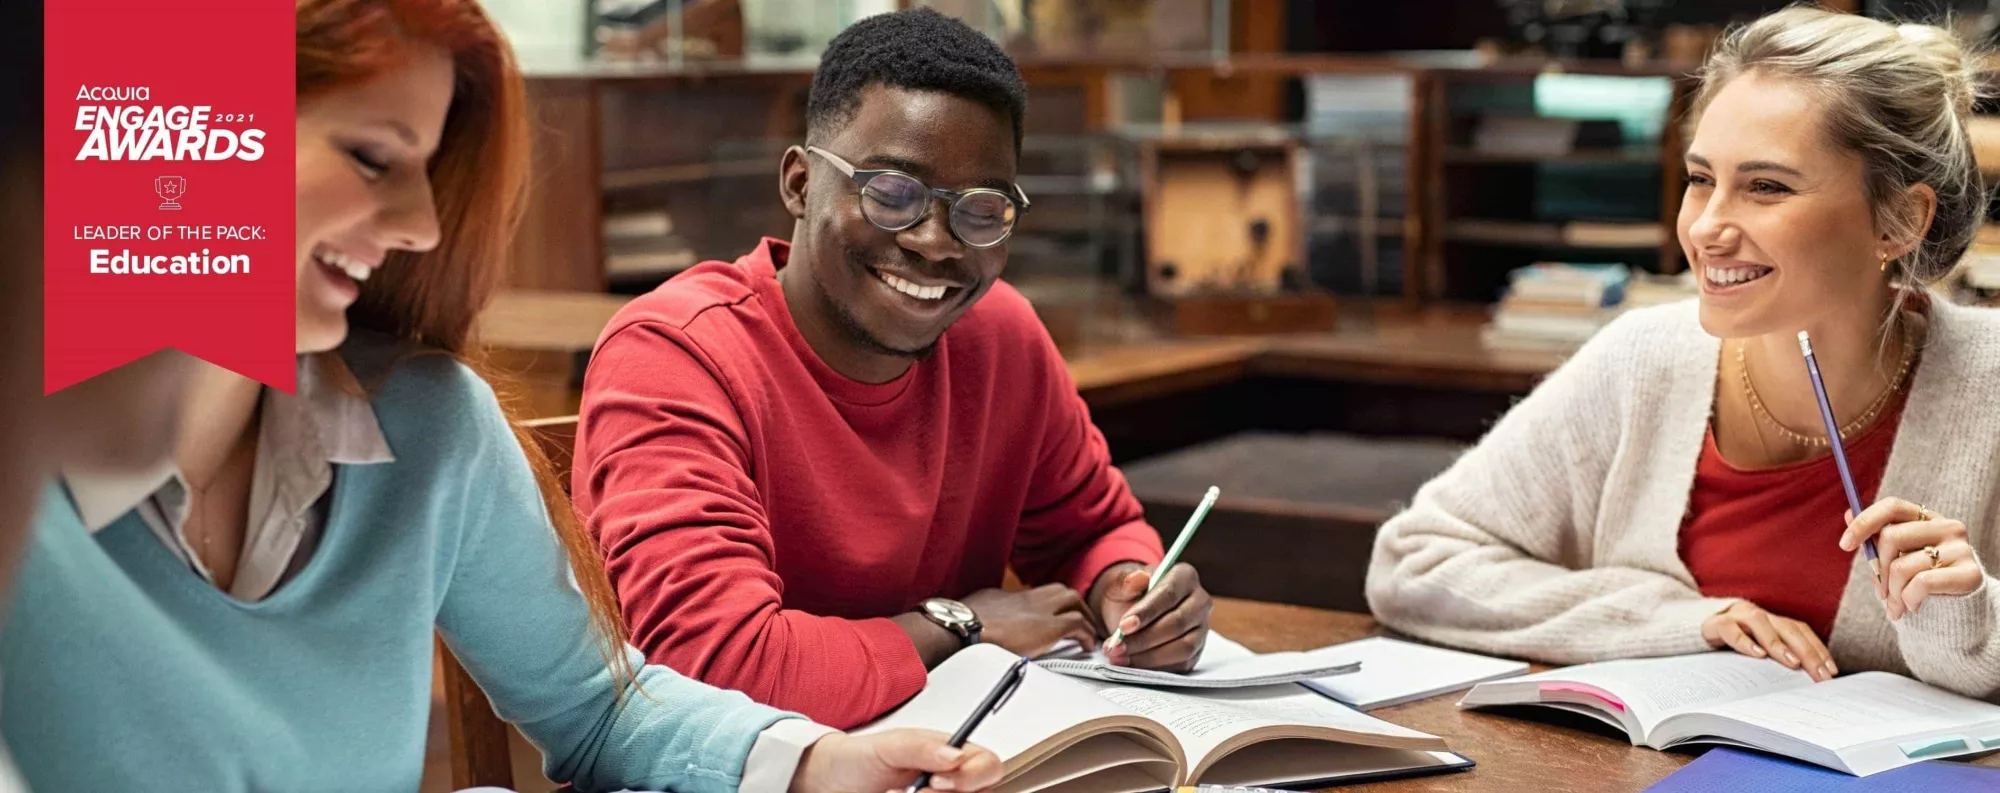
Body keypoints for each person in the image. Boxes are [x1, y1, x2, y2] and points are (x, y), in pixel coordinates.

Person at [0, 2, 1005, 791]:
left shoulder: (427, 423)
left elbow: (601, 706)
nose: (421, 226)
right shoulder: (30, 458)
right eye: (370, 156)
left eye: (427, 168)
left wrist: (813, 763)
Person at [572, 7, 1214, 729]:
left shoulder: (1000, 336)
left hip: (955, 756)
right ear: (799, 183)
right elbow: (718, 665)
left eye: (981, 210)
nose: (936, 242)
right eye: (891, 193)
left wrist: (1127, 589)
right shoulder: (675, 356)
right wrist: (957, 626)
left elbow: (1090, 529)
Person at [1366, 6, 2000, 702]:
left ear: (1901, 219)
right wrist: (1679, 621)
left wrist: (1967, 615)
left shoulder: (1989, 382)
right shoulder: (1645, 359)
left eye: (1766, 186)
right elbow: (1416, 562)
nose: (1706, 228)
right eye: (1701, 179)